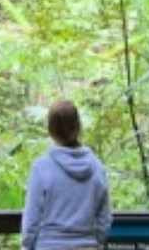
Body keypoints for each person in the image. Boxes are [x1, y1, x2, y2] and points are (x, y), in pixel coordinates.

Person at [20, 100, 111, 250]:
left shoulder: (42, 168)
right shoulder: (97, 167)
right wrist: (94, 241)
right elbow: (104, 218)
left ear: (50, 129)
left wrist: (27, 246)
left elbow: (31, 219)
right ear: (79, 127)